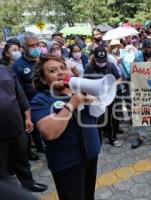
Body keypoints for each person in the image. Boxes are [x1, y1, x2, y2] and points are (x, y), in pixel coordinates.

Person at [31, 55, 100, 199]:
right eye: (53, 71)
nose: (61, 72)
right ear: (44, 80)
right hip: (67, 163)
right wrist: (72, 104)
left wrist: (94, 100)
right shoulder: (41, 100)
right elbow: (50, 133)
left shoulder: (79, 90)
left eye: (63, 68)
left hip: (91, 155)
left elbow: (95, 117)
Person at [0, 65, 47, 193]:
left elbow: (20, 94)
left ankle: (28, 183)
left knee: (22, 157)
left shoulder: (5, 70)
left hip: (16, 124)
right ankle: (8, 193)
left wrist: (27, 117)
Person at [12, 32, 44, 160]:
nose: (36, 48)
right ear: (23, 48)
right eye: (32, 45)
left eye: (37, 44)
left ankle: (43, 145)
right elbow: (18, 91)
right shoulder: (17, 66)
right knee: (32, 129)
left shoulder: (44, 59)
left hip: (46, 100)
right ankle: (34, 149)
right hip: (29, 104)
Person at [84, 46, 124, 147]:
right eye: (99, 61)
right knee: (98, 118)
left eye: (103, 61)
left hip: (110, 96)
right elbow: (85, 82)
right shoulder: (89, 67)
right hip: (96, 97)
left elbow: (119, 79)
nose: (101, 63)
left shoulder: (110, 65)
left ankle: (112, 138)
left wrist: (112, 85)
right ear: (94, 58)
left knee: (111, 118)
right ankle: (98, 141)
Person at [131, 38, 151, 149]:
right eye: (147, 49)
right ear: (143, 49)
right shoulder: (138, 58)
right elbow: (134, 73)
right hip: (142, 88)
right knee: (142, 111)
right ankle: (141, 136)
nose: (149, 51)